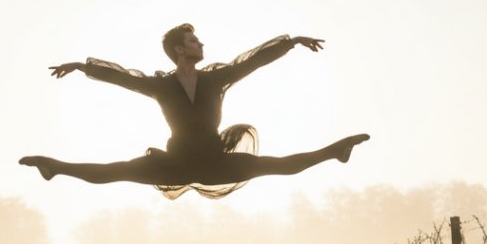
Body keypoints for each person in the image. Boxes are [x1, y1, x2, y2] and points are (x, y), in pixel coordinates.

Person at [19, 23, 370, 199]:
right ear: (178, 50)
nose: (200, 43)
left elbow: (252, 61)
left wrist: (290, 43)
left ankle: (336, 151)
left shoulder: (217, 78)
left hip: (216, 160)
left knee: (279, 166)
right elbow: (124, 78)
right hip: (175, 162)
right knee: (115, 171)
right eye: (193, 41)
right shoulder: (161, 86)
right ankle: (54, 167)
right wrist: (84, 67)